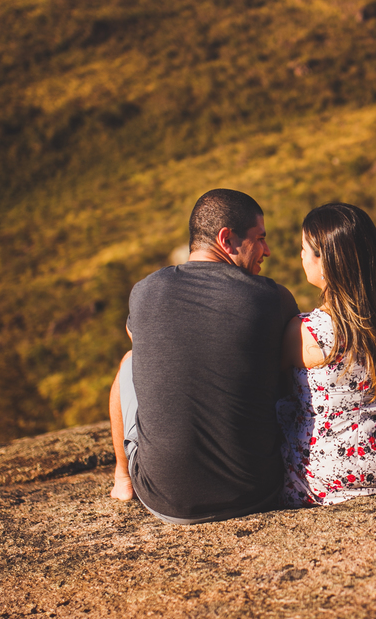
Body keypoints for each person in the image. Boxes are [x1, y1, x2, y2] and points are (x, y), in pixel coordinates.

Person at [108, 188, 299, 524]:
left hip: (163, 500)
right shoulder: (272, 298)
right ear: (227, 239)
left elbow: (141, 342)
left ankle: (123, 480)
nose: (267, 251)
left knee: (129, 361)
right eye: (260, 239)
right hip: (257, 492)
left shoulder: (144, 290)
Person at [277, 203, 376, 507]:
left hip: (332, 475)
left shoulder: (308, 331)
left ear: (326, 262)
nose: (300, 256)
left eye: (304, 249)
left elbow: (272, 378)